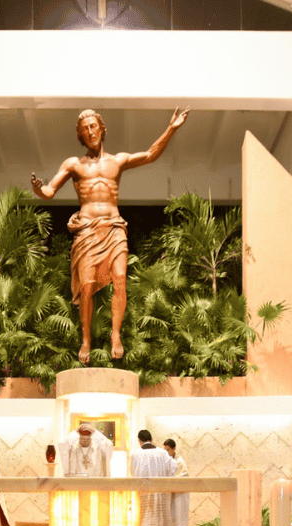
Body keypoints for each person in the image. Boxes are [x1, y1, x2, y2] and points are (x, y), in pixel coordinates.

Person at [32, 107, 189, 364]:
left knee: (120, 278)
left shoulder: (117, 161)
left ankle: (116, 335)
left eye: (93, 126)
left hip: (114, 227)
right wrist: (39, 190)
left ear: (102, 129)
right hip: (87, 230)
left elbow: (150, 154)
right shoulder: (74, 164)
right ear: (80, 137)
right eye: (84, 130)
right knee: (87, 286)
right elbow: (49, 191)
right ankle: (86, 341)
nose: (90, 132)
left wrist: (171, 128)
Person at [130, 429, 178, 526]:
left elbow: (133, 472)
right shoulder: (162, 453)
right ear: (151, 439)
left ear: (139, 440)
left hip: (144, 492)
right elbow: (174, 466)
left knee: (145, 522)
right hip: (160, 493)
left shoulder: (135, 454)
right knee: (159, 521)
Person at [164, 438, 189, 526]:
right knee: (171, 521)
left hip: (179, 495)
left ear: (174, 449)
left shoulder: (180, 461)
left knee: (179, 520)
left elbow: (184, 475)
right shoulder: (167, 460)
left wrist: (171, 481)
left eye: (168, 449)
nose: (166, 452)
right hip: (170, 493)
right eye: (165, 449)